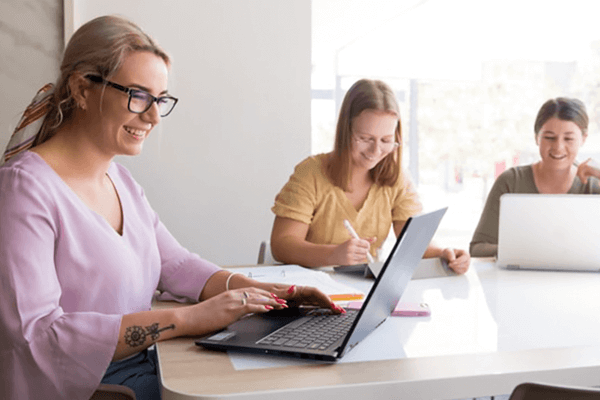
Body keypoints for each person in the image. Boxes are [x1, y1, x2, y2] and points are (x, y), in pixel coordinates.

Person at [0, 15, 341, 400]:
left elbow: (175, 264)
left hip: (146, 364)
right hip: (91, 387)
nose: (153, 116)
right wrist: (187, 319)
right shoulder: (23, 191)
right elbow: (38, 336)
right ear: (82, 88)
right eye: (139, 95)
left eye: (160, 99)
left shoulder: (121, 182)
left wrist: (262, 292)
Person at [269, 79, 470, 273]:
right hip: (311, 289)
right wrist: (333, 255)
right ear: (345, 132)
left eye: (386, 140)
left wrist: (444, 254)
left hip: (362, 290)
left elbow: (414, 243)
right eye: (365, 138)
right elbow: (282, 245)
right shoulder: (311, 173)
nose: (375, 150)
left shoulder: (397, 179)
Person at [470, 97, 600, 257]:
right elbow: (477, 248)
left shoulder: (594, 185)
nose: (558, 147)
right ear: (537, 137)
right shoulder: (511, 181)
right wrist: (523, 253)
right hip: (519, 280)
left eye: (569, 139)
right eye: (549, 137)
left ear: (583, 139)